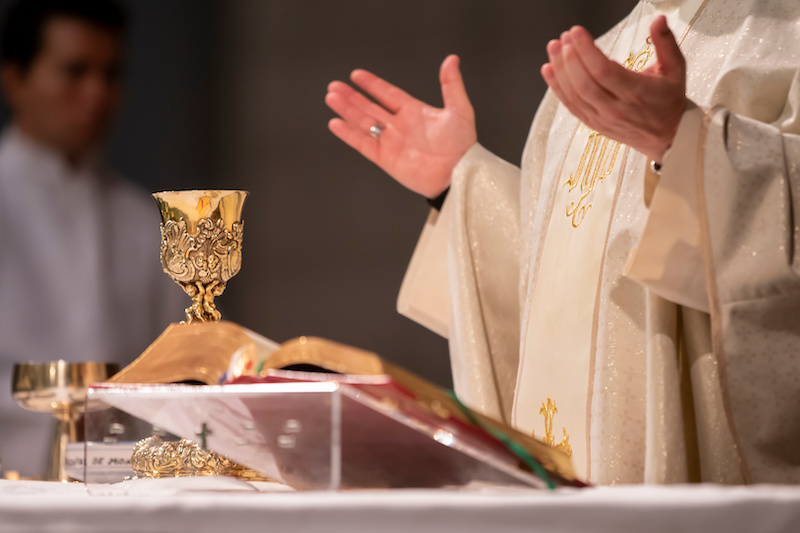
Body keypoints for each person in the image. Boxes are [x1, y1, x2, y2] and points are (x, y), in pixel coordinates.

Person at [326, 0, 800, 485]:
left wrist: (684, 145)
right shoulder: (602, 54)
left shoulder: (786, 37)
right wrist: (459, 183)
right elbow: (558, 292)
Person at [0, 0, 181, 478]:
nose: (97, 93)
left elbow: (173, 369)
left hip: (126, 488)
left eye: (110, 73)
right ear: (14, 77)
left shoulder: (144, 220)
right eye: (74, 71)